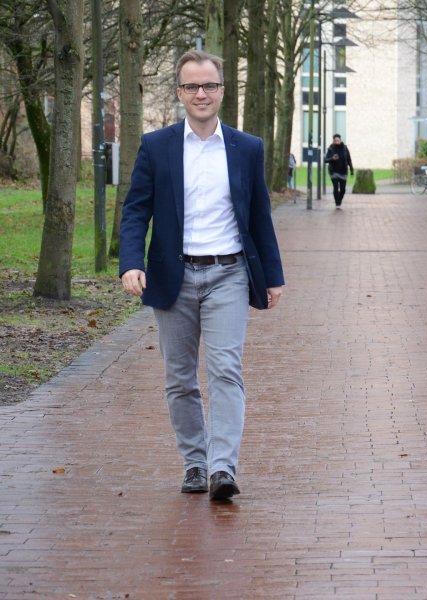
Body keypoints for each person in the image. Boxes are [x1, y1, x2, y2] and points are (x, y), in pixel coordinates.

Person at [118, 50, 285, 501]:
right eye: (191, 86)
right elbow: (135, 211)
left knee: (227, 370)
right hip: (173, 276)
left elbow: (259, 217)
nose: (201, 94)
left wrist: (272, 275)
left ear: (222, 91)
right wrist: (131, 262)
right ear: (179, 93)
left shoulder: (247, 148)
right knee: (180, 377)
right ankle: (195, 462)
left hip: (228, 273)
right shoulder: (157, 146)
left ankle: (222, 468)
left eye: (209, 85)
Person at [324, 134, 353, 208]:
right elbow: (325, 160)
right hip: (333, 171)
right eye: (335, 140)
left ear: (340, 140)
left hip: (343, 171)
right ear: (333, 141)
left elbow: (349, 159)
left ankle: (339, 200)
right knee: (336, 187)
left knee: (343, 190)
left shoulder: (345, 148)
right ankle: (337, 203)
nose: (337, 142)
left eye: (338, 140)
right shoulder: (330, 149)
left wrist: (351, 169)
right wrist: (332, 158)